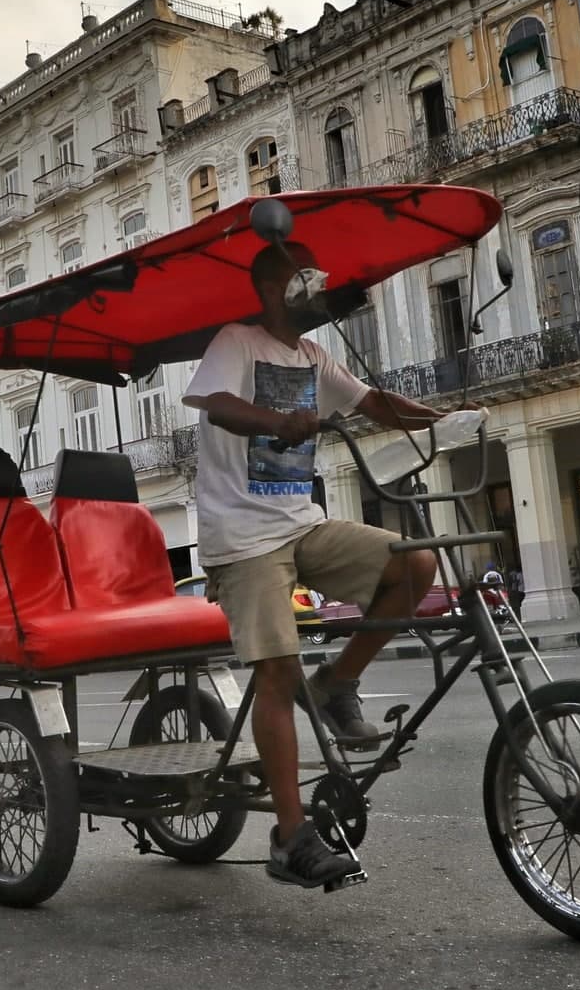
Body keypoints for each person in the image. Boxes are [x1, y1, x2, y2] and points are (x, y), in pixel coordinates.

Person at [185, 239, 443, 890]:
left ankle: (336, 684)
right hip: (242, 538)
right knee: (277, 669)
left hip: (300, 525)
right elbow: (216, 403)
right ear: (276, 289)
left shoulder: (313, 354)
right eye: (308, 281)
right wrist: (278, 419)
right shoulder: (236, 342)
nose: (319, 291)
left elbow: (374, 403)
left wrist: (448, 416)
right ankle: (289, 836)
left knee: (415, 567)